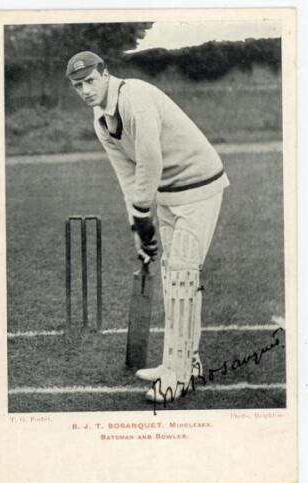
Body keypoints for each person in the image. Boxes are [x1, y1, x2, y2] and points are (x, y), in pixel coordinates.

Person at [66, 51, 230, 403]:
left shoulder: (134, 98)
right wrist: (137, 229)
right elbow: (128, 177)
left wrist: (144, 215)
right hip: (170, 194)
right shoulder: (101, 120)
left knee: (183, 275)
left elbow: (150, 158)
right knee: (173, 276)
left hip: (199, 185)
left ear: (105, 74)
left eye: (90, 80)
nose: (85, 89)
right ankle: (185, 360)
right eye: (78, 85)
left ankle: (179, 374)